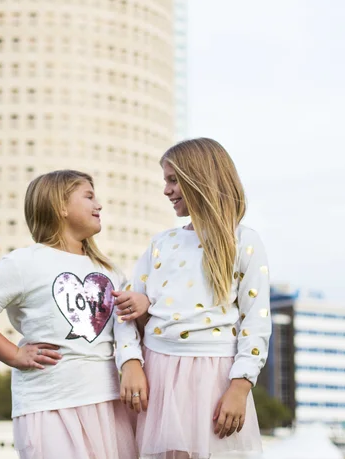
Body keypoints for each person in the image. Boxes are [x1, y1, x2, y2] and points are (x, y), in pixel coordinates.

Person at [0, 170, 137, 459]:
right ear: (60, 206)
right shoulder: (24, 262)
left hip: (106, 400)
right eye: (89, 196)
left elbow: (127, 330)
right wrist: (14, 355)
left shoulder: (110, 270)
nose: (99, 205)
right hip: (48, 403)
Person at [114, 138, 271, 459]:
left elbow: (256, 321)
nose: (166, 190)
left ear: (199, 179)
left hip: (214, 377)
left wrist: (240, 386)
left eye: (173, 180)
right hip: (157, 373)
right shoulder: (161, 243)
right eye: (166, 181)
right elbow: (125, 310)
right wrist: (130, 363)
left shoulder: (244, 241)